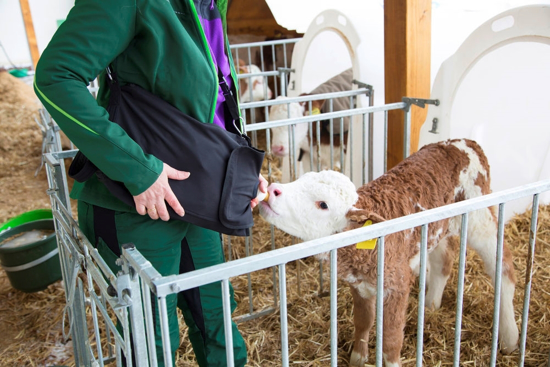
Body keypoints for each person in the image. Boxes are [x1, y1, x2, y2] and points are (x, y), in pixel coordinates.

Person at [34, 0, 267, 365]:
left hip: (197, 195)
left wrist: (239, 170)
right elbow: (55, 76)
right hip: (135, 201)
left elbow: (211, 104)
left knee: (217, 316)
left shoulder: (211, 4)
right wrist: (138, 171)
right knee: (152, 342)